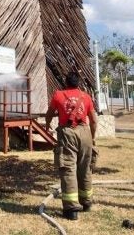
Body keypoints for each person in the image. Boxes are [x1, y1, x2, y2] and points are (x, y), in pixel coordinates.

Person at [45, 71, 98, 221]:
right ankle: (86, 203)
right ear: (78, 83)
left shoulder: (58, 95)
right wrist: (92, 137)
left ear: (65, 82)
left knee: (68, 169)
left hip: (68, 133)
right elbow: (93, 119)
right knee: (85, 168)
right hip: (85, 133)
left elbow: (49, 114)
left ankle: (71, 210)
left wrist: (48, 125)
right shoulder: (86, 96)